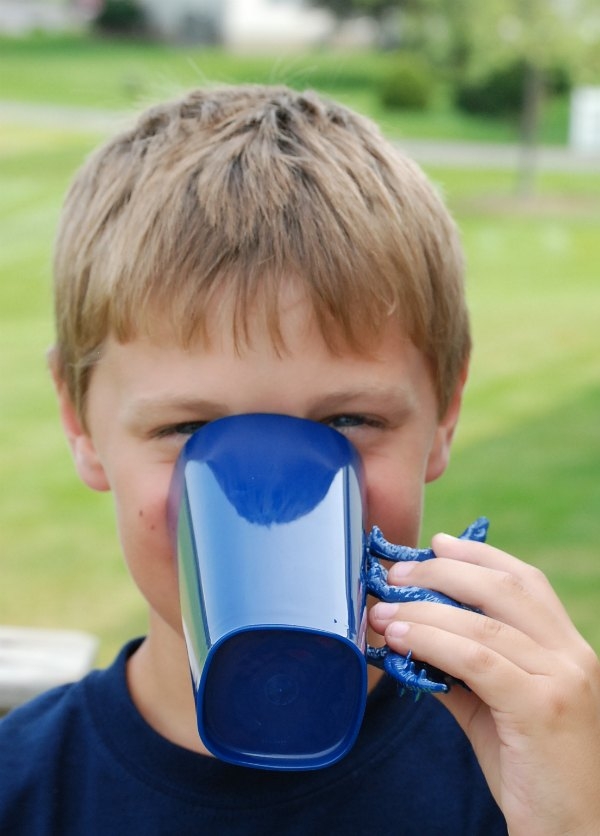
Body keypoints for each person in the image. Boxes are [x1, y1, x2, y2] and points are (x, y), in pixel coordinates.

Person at [0, 84, 598, 835]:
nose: (273, 503)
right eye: (190, 431)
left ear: (445, 409)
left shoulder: (533, 771)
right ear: (78, 422)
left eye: (347, 421)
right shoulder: (23, 788)